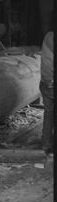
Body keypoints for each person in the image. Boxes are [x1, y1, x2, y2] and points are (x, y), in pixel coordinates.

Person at [40, 26, 54, 159]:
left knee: (49, 114)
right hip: (52, 82)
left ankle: (46, 145)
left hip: (46, 82)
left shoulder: (48, 36)